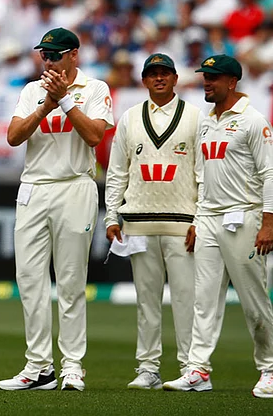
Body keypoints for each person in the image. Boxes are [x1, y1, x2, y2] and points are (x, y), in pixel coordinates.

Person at [0, 27, 114, 391]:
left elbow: (95, 136)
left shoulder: (95, 89)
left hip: (75, 186)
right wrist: (46, 105)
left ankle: (73, 366)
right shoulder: (32, 91)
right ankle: (39, 366)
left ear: (74, 55)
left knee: (70, 281)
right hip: (34, 187)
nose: (47, 61)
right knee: (30, 280)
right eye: (44, 55)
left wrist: (65, 100)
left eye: (54, 55)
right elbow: (14, 136)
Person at [163, 55, 273, 398]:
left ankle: (269, 368)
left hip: (244, 215)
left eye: (213, 78)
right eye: (205, 77)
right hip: (209, 218)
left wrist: (269, 221)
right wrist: (197, 218)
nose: (206, 83)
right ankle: (198, 369)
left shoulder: (254, 121)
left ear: (232, 82)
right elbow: (202, 175)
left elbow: (270, 172)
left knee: (254, 300)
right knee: (204, 299)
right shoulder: (207, 121)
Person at [104, 54, 201, 389]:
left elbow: (203, 175)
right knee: (146, 301)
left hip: (182, 223)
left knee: (187, 299)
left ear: (175, 78)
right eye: (152, 74)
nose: (159, 79)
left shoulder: (195, 118)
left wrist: (199, 219)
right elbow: (117, 172)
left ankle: (193, 367)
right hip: (139, 223)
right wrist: (111, 215)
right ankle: (148, 368)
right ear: (144, 80)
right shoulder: (130, 118)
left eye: (165, 73)